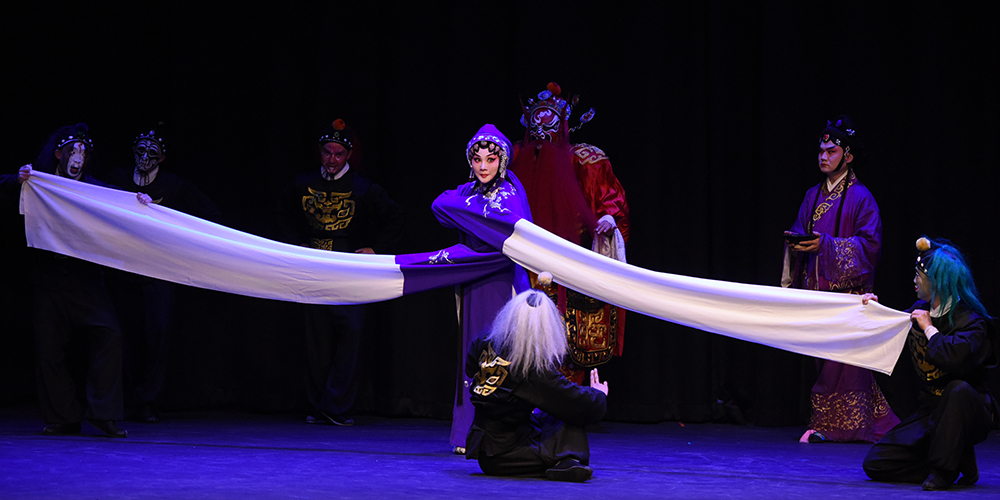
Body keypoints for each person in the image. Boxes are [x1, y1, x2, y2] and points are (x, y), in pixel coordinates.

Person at [2, 123, 150, 438]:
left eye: (84, 153)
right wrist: (18, 179)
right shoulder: (40, 182)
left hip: (85, 280)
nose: (78, 158)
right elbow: (4, 185)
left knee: (110, 334)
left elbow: (118, 201)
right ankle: (63, 416)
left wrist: (137, 200)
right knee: (48, 349)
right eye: (73, 151)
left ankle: (104, 414)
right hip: (48, 279)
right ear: (60, 154)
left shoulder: (92, 188)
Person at [277, 119, 404, 427]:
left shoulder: (363, 189)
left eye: (338, 154)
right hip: (314, 267)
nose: (331, 160)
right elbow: (282, 214)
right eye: (326, 152)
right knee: (316, 337)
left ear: (348, 155)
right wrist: (297, 242)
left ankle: (337, 405)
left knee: (351, 333)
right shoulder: (304, 183)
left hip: (350, 269)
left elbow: (395, 218)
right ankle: (319, 404)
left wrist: (375, 249)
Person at [782, 115, 899, 443]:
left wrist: (827, 245)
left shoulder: (862, 198)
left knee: (843, 365)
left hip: (847, 296)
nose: (823, 156)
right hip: (816, 292)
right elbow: (801, 232)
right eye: (820, 151)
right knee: (825, 362)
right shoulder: (812, 195)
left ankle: (837, 427)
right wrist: (796, 244)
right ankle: (837, 423)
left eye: (830, 151)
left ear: (847, 156)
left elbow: (871, 247)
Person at [509, 82, 629, 385]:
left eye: (548, 125)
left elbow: (610, 199)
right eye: (536, 126)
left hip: (571, 259)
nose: (541, 134)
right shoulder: (514, 156)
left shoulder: (585, 159)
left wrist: (608, 216)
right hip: (524, 259)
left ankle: (569, 396)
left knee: (569, 339)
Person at [104, 124, 222, 423]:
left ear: (162, 158)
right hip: (124, 269)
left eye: (152, 153)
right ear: (133, 151)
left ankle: (148, 400)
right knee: (126, 334)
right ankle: (129, 397)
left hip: (158, 272)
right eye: (141, 151)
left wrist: (176, 234)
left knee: (157, 333)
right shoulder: (118, 179)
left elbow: (209, 214)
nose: (145, 158)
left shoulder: (174, 186)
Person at [862, 237, 996, 490]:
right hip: (932, 411)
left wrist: (929, 329)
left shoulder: (972, 321)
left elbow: (952, 357)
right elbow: (892, 328)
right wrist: (876, 309)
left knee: (957, 388)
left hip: (969, 410)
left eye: (919, 275)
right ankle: (957, 459)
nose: (914, 280)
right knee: (877, 463)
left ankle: (943, 471)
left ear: (937, 281)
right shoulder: (920, 310)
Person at [431, 124, 533, 452]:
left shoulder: (510, 193)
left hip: (502, 280)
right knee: (473, 353)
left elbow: (509, 231)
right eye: (477, 159)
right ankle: (467, 433)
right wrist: (474, 212)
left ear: (502, 161)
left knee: (500, 353)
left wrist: (471, 214)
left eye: (490, 159)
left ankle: (499, 433)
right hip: (474, 281)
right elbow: (439, 205)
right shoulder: (467, 192)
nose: (483, 166)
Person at [465, 282, 609, 482]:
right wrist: (599, 394)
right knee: (572, 412)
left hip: (489, 447)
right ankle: (566, 461)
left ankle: (565, 461)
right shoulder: (529, 366)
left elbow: (471, 369)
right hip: (506, 456)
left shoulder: (484, 341)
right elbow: (573, 399)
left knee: (556, 413)